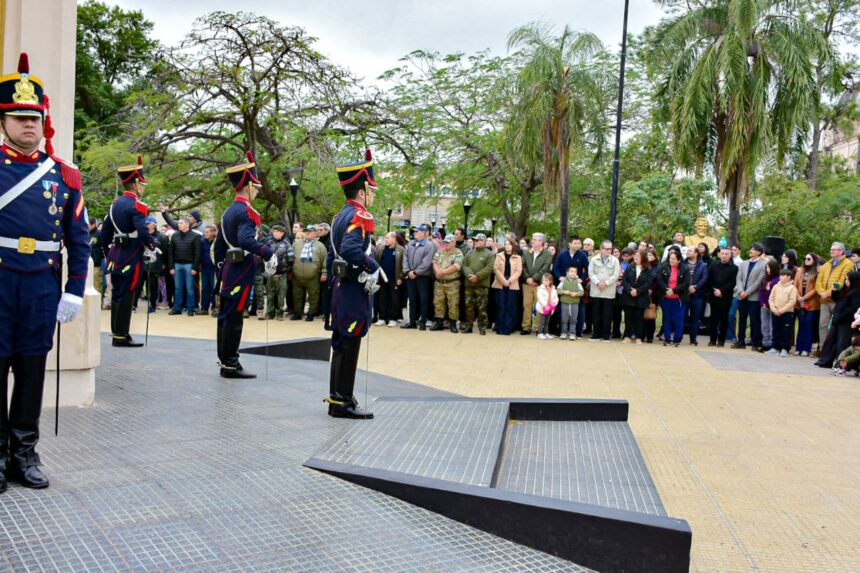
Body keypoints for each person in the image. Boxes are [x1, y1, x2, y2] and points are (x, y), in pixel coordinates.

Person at [0, 53, 90, 492]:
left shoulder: (64, 175)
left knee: (33, 371)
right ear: (4, 122)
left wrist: (74, 290)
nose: (28, 125)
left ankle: (24, 453)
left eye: (34, 117)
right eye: (19, 118)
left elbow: (80, 240)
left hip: (40, 286)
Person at [324, 149, 381, 419]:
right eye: (371, 189)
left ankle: (338, 397)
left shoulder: (339, 216)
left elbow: (334, 253)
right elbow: (349, 250)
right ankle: (343, 402)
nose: (373, 195)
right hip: (352, 289)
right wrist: (374, 266)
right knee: (350, 343)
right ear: (362, 192)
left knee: (341, 343)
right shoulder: (360, 216)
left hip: (339, 286)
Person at [213, 152, 275, 379]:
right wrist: (268, 253)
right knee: (234, 317)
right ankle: (230, 363)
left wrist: (222, 267)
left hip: (230, 269)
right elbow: (246, 241)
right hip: (240, 270)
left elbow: (219, 247)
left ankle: (225, 359)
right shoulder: (247, 212)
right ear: (248, 186)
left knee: (226, 315)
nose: (258, 190)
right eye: (256, 186)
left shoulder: (229, 211)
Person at [101, 155, 157, 347]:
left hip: (115, 254)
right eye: (141, 183)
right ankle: (122, 335)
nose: (142, 187)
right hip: (130, 254)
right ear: (134, 183)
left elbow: (105, 234)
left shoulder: (114, 205)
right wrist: (152, 244)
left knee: (117, 293)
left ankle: (117, 332)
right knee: (126, 295)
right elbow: (142, 230)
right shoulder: (137, 206)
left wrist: (106, 252)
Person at [815, 271, 860, 369]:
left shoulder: (857, 292)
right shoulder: (846, 290)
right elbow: (838, 300)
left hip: (846, 321)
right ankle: (825, 360)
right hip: (837, 319)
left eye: (848, 279)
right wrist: (835, 291)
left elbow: (853, 307)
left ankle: (841, 363)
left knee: (842, 343)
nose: (846, 281)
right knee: (831, 340)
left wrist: (841, 316)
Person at [815, 242, 854, 351]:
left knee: (835, 326)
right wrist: (822, 292)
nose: (831, 251)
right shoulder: (827, 264)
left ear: (841, 251)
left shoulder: (848, 264)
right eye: (831, 249)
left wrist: (828, 292)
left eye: (834, 249)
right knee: (822, 325)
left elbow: (842, 281)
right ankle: (823, 349)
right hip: (824, 300)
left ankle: (834, 350)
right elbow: (819, 281)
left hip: (837, 300)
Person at [552, 235, 590, 337]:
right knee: (562, 309)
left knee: (579, 309)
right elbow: (555, 268)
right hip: (564, 285)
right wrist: (560, 277)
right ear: (570, 244)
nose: (578, 245)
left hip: (576, 286)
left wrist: (582, 278)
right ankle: (562, 330)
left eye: (579, 243)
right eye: (575, 243)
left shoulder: (582, 255)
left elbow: (588, 269)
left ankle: (577, 332)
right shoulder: (562, 255)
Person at [732, 242, 766, 350]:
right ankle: (740, 341)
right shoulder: (744, 263)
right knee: (741, 319)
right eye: (751, 248)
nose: (751, 250)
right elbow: (739, 278)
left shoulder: (763, 264)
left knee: (754, 320)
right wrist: (741, 291)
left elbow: (759, 281)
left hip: (753, 297)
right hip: (741, 296)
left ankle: (755, 343)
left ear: (759, 252)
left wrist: (747, 292)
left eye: (754, 249)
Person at [290, 224, 327, 321]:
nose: (307, 233)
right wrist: (289, 270)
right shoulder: (297, 244)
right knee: (297, 295)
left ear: (315, 233)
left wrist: (324, 273)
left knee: (313, 295)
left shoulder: (320, 246)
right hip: (297, 276)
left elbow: (325, 260)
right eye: (306, 231)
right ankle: (298, 313)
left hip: (313, 276)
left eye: (310, 231)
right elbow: (290, 258)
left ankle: (311, 313)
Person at [402, 225, 435, 330]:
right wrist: (408, 271)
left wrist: (416, 272)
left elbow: (427, 262)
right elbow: (405, 258)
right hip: (410, 276)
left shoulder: (429, 245)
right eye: (414, 231)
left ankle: (423, 323)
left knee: (423, 300)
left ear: (423, 233)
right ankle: (412, 322)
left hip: (423, 277)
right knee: (412, 300)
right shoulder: (410, 244)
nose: (415, 233)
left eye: (417, 231)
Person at [167, 216, 201, 316]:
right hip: (177, 265)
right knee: (178, 288)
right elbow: (170, 252)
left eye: (181, 223)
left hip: (189, 265)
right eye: (179, 223)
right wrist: (171, 267)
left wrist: (195, 267)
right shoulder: (174, 235)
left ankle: (190, 308)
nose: (179, 225)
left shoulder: (195, 236)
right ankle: (177, 308)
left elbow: (197, 253)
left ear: (187, 224)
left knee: (190, 288)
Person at [588, 240, 621, 342]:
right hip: (596, 290)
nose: (608, 251)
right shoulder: (594, 259)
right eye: (606, 249)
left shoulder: (615, 260)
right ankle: (596, 334)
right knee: (596, 313)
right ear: (601, 249)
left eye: (610, 249)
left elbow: (616, 274)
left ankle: (606, 334)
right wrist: (598, 282)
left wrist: (606, 283)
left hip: (608, 291)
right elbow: (591, 273)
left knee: (607, 314)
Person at [461, 233, 493, 335]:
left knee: (482, 307)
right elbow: (464, 265)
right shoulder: (469, 253)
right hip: (469, 284)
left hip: (482, 285)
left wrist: (477, 276)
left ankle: (482, 327)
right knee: (468, 306)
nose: (475, 242)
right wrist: (470, 275)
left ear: (483, 241)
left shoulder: (489, 254)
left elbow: (489, 268)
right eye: (474, 240)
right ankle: (469, 326)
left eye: (478, 240)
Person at [431, 234, 464, 333]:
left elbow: (456, 266)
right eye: (444, 242)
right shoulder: (440, 252)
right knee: (438, 303)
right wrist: (437, 272)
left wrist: (443, 272)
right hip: (439, 283)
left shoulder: (458, 253)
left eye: (447, 242)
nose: (445, 244)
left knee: (453, 304)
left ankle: (453, 324)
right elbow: (434, 262)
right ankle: (439, 322)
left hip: (452, 283)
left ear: (453, 243)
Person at [520, 233, 553, 335]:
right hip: (527, 284)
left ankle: (539, 327)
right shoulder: (526, 252)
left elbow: (545, 268)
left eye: (535, 239)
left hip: (539, 284)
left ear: (541, 242)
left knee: (539, 305)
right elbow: (523, 266)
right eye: (532, 239)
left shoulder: (547, 254)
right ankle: (526, 327)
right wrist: (528, 279)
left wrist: (534, 278)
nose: (532, 241)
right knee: (527, 305)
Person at [657, 249, 690, 346]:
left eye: (674, 259)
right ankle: (667, 338)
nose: (671, 260)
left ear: (679, 260)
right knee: (667, 318)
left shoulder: (685, 268)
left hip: (679, 299)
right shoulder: (663, 266)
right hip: (666, 298)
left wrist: (674, 290)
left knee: (678, 319)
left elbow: (686, 283)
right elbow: (659, 279)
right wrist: (666, 289)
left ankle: (677, 339)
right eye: (670, 258)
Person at [707, 246, 739, 347]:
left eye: (726, 254)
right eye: (722, 253)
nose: (724, 256)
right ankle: (712, 340)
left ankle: (721, 341)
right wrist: (714, 290)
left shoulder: (734, 268)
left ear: (730, 255)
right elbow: (709, 279)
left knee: (724, 318)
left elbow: (732, 282)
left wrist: (721, 290)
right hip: (713, 295)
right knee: (713, 318)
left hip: (726, 296)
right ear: (719, 254)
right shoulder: (713, 266)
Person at [135, 216, 166, 314]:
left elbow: (165, 252)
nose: (146, 225)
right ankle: (133, 305)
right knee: (138, 286)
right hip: (141, 265)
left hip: (155, 266)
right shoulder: (141, 235)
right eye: (146, 223)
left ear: (154, 225)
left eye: (148, 223)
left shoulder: (161, 237)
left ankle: (153, 306)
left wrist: (164, 266)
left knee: (153, 287)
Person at [492, 237, 523, 335]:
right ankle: (499, 327)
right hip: (500, 283)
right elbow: (496, 269)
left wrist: (509, 281)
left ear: (513, 246)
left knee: (510, 306)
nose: (507, 246)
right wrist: (503, 280)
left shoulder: (518, 257)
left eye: (509, 244)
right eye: (505, 244)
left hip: (512, 284)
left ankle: (508, 328)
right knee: (501, 306)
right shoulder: (499, 256)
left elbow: (518, 271)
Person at [621, 249, 652, 344]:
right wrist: (630, 290)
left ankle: (638, 337)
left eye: (637, 256)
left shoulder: (648, 269)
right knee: (628, 317)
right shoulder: (630, 267)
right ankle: (627, 336)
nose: (635, 257)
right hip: (628, 296)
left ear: (643, 258)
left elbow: (648, 283)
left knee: (639, 317)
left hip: (641, 296)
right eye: (635, 256)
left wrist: (637, 291)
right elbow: (624, 280)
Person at [373, 232, 404, 327]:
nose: (385, 240)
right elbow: (376, 262)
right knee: (382, 298)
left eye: (387, 238)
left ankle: (393, 318)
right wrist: (376, 277)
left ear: (394, 239)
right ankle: (382, 317)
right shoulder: (381, 248)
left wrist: (400, 277)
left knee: (394, 299)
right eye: (385, 238)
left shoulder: (401, 249)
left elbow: (404, 264)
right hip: (382, 278)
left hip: (394, 278)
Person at [767, 269, 798, 357]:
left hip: (787, 313)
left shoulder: (792, 288)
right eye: (780, 275)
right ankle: (775, 347)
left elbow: (792, 301)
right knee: (776, 330)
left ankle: (784, 348)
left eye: (784, 276)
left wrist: (781, 310)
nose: (781, 277)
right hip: (775, 312)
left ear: (789, 277)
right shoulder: (776, 286)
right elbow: (771, 299)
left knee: (786, 331)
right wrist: (774, 309)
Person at [795, 253, 821, 356]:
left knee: (808, 324)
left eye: (808, 258)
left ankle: (806, 348)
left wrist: (804, 298)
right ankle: (798, 347)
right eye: (805, 258)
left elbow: (816, 288)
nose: (806, 260)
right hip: (799, 303)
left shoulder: (817, 272)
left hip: (812, 303)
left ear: (814, 260)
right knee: (801, 324)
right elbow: (795, 285)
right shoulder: (800, 271)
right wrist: (799, 298)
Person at [265, 224, 292, 320]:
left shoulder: (286, 244)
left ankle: (280, 313)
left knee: (281, 295)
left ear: (282, 233)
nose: (275, 233)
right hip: (270, 273)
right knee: (270, 295)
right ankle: (270, 313)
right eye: (274, 231)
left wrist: (287, 269)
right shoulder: (268, 243)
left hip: (282, 274)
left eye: (278, 232)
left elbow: (291, 258)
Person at [685, 247, 709, 346]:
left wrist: (695, 287)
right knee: (682, 317)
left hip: (697, 295)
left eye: (690, 251)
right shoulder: (682, 264)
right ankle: (678, 337)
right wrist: (687, 287)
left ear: (696, 253)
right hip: (684, 295)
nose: (687, 252)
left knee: (696, 318)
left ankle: (693, 339)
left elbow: (704, 278)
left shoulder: (703, 265)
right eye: (687, 251)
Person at [758, 258, 781, 352]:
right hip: (764, 306)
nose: (767, 269)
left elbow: (776, 294)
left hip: (773, 306)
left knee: (772, 326)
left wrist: (768, 304)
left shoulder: (778, 279)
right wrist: (762, 303)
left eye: (768, 267)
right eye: (766, 267)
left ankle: (772, 344)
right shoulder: (765, 278)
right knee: (764, 325)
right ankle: (765, 343)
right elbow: (761, 292)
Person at [558, 266, 584, 340]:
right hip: (564, 303)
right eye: (571, 271)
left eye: (575, 272)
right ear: (567, 273)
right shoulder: (563, 281)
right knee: (564, 318)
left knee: (574, 319)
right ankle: (564, 332)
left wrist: (576, 294)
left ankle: (572, 333)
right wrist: (564, 292)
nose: (573, 273)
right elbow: (558, 290)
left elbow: (582, 292)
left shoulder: (578, 282)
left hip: (574, 303)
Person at [199, 224, 219, 316]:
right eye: (204, 232)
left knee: (214, 288)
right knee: (204, 288)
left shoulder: (217, 242)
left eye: (207, 232)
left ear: (213, 232)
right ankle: (204, 308)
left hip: (214, 269)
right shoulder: (202, 241)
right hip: (205, 268)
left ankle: (215, 307)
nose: (205, 233)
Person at [535, 273, 559, 340]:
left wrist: (554, 303)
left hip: (550, 307)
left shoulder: (553, 288)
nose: (544, 282)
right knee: (542, 321)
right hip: (543, 308)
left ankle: (546, 333)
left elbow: (556, 297)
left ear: (550, 281)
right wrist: (544, 305)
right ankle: (540, 333)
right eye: (543, 280)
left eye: (546, 280)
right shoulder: (540, 288)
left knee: (547, 321)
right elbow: (540, 297)